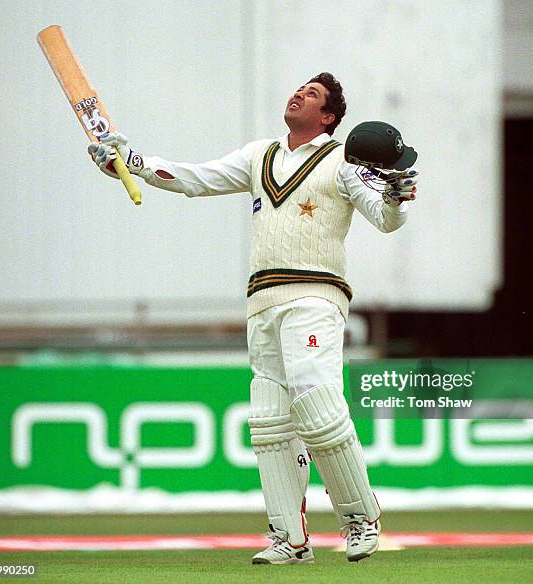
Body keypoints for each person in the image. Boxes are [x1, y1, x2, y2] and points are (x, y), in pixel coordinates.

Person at [89, 72, 418, 564]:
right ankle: (290, 538)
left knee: (319, 407)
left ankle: (359, 519)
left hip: (315, 295)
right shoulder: (259, 155)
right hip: (262, 302)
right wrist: (127, 162)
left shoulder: (342, 161)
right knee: (269, 422)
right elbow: (193, 178)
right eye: (299, 88)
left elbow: (386, 219)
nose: (298, 94)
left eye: (311, 95)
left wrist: (394, 194)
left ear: (328, 116)